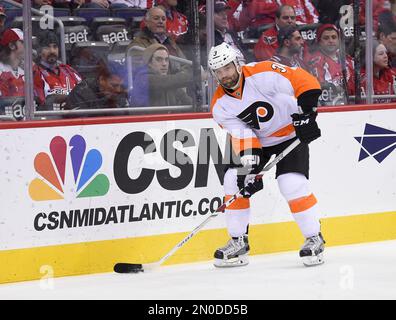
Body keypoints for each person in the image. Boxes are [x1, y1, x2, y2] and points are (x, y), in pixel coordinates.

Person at [208, 42, 325, 268]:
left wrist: (308, 112)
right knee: (234, 179)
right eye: (219, 71)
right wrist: (251, 169)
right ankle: (238, 242)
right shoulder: (220, 105)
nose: (224, 75)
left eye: (227, 68)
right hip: (259, 141)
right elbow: (243, 136)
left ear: (237, 64)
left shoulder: (262, 72)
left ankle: (314, 237)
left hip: (290, 134)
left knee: (291, 183)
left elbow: (302, 80)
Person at [306, 23, 354, 104]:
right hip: (329, 105)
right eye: (326, 38)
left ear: (339, 40)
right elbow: (325, 88)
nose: (331, 41)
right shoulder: (316, 62)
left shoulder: (348, 60)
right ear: (319, 41)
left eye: (334, 37)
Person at [33, 31, 82, 108]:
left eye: (55, 47)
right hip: (52, 117)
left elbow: (85, 95)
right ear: (39, 51)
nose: (52, 51)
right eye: (47, 47)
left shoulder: (69, 70)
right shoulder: (36, 74)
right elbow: (42, 105)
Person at [0, 28, 25, 97]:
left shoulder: (24, 71)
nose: (28, 46)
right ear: (12, 46)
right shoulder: (1, 70)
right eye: (23, 43)